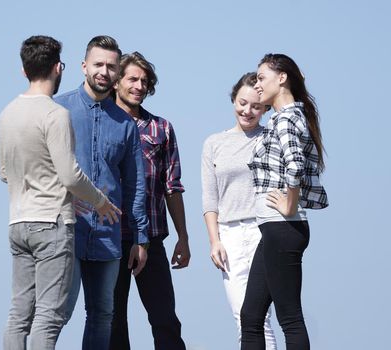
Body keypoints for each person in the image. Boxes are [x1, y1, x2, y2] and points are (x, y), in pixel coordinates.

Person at [0, 35, 121, 350]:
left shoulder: (7, 114)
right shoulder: (55, 114)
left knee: (19, 313)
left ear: (24, 71)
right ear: (58, 68)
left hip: (18, 223)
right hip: (51, 224)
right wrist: (100, 201)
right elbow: (70, 174)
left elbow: (4, 173)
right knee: (49, 316)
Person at [54, 36, 149, 350]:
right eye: (98, 64)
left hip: (107, 237)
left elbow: (136, 186)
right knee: (55, 312)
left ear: (117, 73)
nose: (104, 72)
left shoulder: (126, 124)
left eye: (111, 66)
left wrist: (140, 238)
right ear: (84, 66)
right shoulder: (58, 110)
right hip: (64, 230)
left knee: (102, 314)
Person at [241, 54, 329, 350]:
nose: (257, 84)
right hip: (275, 229)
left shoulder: (287, 118)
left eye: (261, 77)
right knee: (250, 316)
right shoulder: (283, 118)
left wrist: (290, 205)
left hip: (283, 227)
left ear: (282, 79)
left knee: (289, 318)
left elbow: (294, 165)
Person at [109, 52, 190, 350]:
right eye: (132, 79)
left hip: (152, 239)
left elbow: (173, 186)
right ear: (117, 82)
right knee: (114, 322)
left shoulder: (162, 128)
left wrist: (183, 237)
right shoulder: (101, 124)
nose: (139, 86)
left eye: (144, 81)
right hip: (110, 239)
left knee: (165, 319)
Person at [201, 73, 277, 349]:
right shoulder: (214, 143)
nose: (248, 111)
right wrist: (214, 241)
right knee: (241, 316)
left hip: (263, 232)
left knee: (259, 316)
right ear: (233, 99)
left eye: (256, 106)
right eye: (243, 103)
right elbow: (210, 200)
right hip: (229, 236)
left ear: (266, 108)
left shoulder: (271, 137)